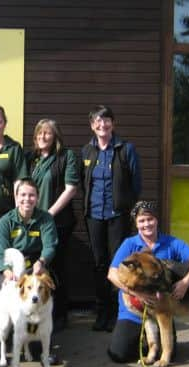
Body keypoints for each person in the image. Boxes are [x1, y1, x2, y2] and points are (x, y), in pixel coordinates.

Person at [106, 201, 189, 363]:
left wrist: (185, 282)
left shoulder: (171, 242)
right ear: (136, 224)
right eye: (142, 221)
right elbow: (112, 274)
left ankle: (155, 345)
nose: (147, 224)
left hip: (161, 308)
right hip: (132, 313)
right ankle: (146, 342)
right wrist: (137, 293)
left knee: (171, 355)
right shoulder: (129, 244)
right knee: (119, 353)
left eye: (150, 219)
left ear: (156, 220)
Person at [0, 178, 58, 367]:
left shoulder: (45, 219)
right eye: (23, 195)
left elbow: (50, 246)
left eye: (31, 195)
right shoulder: (5, 221)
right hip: (11, 268)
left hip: (36, 265)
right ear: (16, 198)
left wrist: (41, 262)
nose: (27, 199)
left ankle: (44, 346)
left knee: (45, 288)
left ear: (37, 198)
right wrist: (6, 271)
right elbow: (0, 252)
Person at [81, 105, 141, 332]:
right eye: (97, 121)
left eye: (106, 121)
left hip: (118, 215)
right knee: (99, 264)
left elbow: (136, 185)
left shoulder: (126, 149)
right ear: (92, 125)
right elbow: (83, 183)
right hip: (94, 215)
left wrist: (126, 206)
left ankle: (118, 313)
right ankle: (101, 312)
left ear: (113, 124)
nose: (102, 125)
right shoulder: (87, 151)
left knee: (118, 264)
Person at [26, 119, 79, 331]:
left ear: (55, 136)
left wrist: (49, 214)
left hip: (58, 222)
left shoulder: (66, 157)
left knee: (57, 269)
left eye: (47, 133)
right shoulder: (31, 158)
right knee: (36, 268)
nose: (42, 137)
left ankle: (59, 316)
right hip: (33, 223)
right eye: (39, 133)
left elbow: (71, 189)